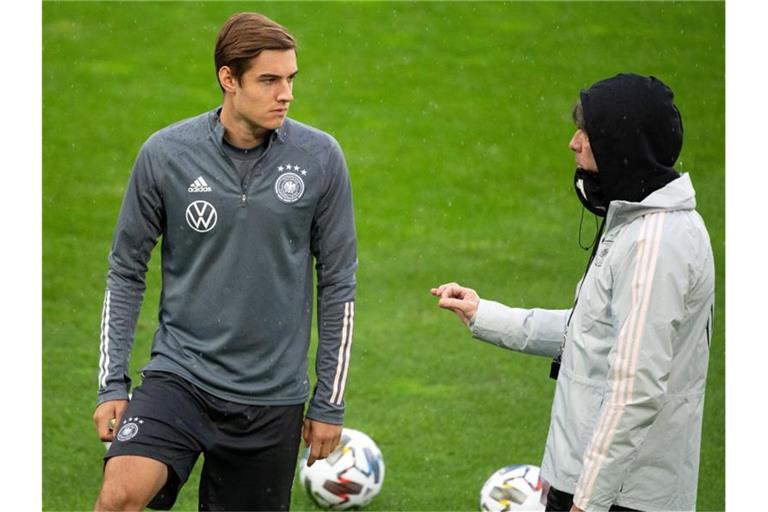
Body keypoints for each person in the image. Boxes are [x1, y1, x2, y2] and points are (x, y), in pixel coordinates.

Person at [92, 12, 358, 511]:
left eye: (290, 79)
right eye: (270, 80)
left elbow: (339, 283)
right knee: (118, 497)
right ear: (228, 79)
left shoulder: (320, 158)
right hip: (180, 377)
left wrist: (329, 401)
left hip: (271, 396)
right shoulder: (166, 155)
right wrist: (113, 382)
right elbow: (126, 269)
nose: (286, 94)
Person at [432, 73, 714, 512]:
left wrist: (588, 500)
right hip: (595, 484)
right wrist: (483, 314)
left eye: (588, 132)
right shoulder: (635, 224)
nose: (573, 142)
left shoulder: (655, 244)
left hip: (619, 496)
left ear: (622, 145)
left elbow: (635, 388)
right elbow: (590, 333)